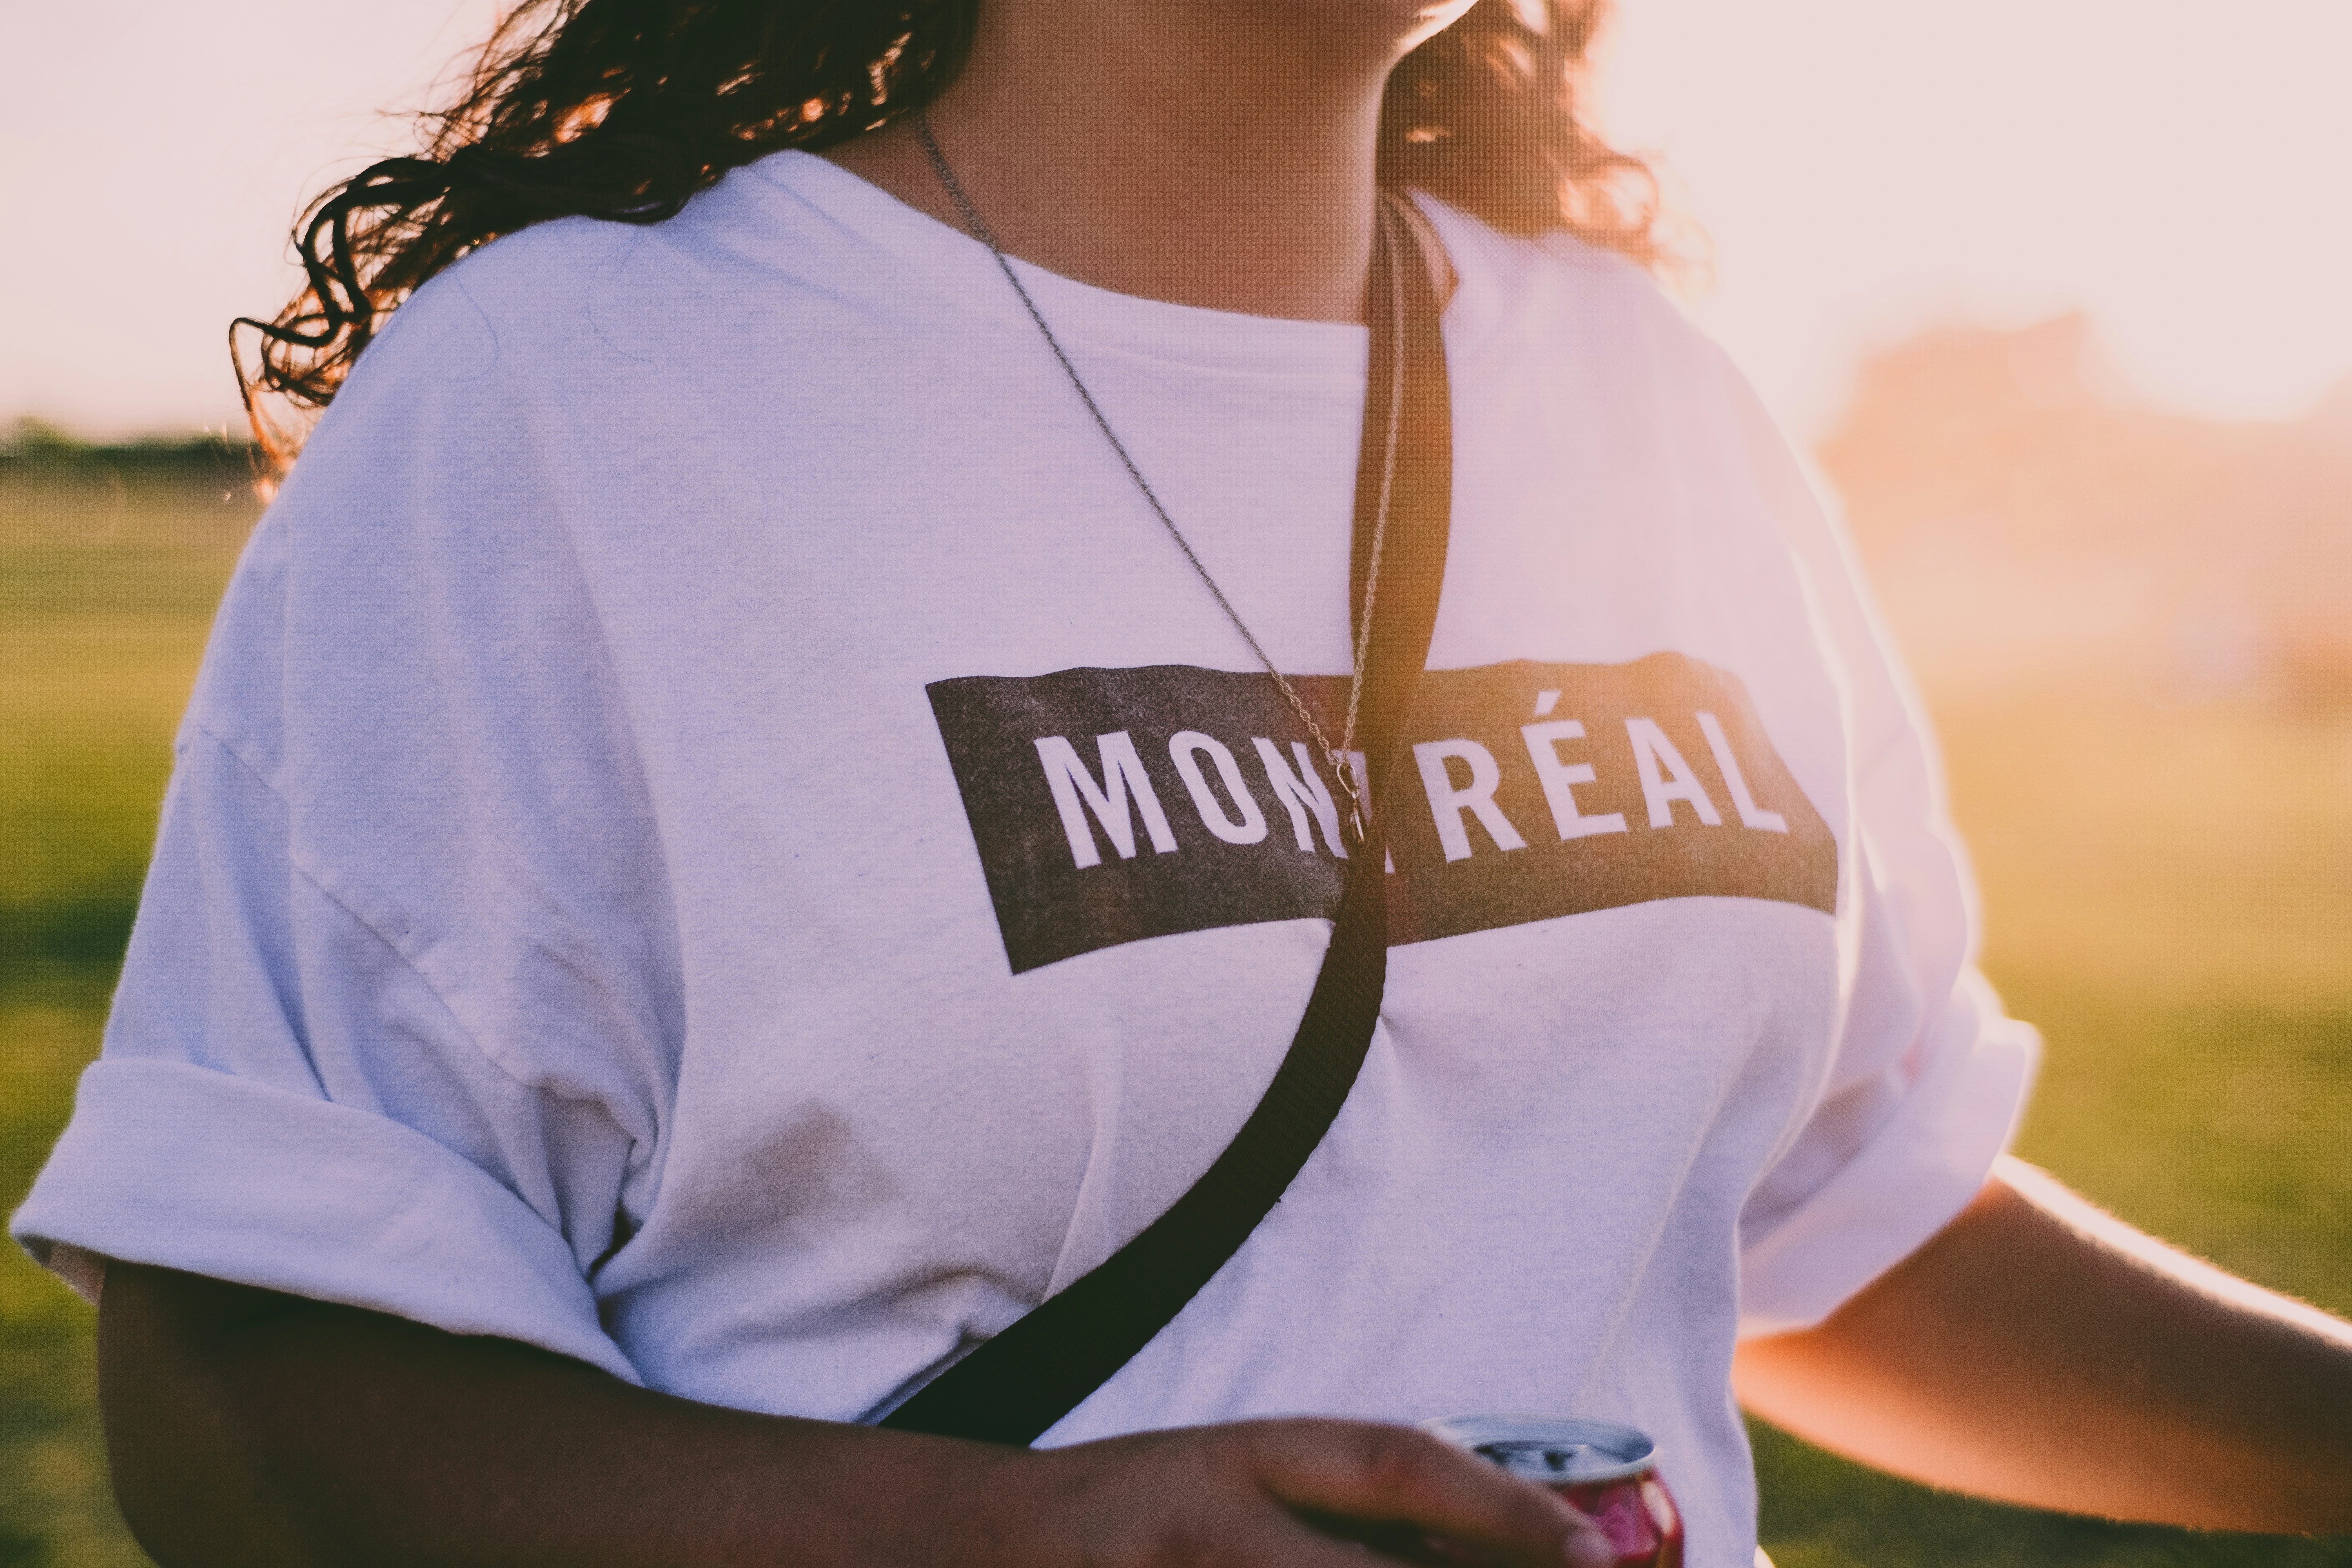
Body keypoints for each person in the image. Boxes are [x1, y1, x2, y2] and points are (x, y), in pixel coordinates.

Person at [13, 0, 2352, 1563]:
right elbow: (242, 1403)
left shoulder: (1655, 399)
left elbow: (1832, 1222)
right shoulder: (579, 401)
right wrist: (1024, 1537)